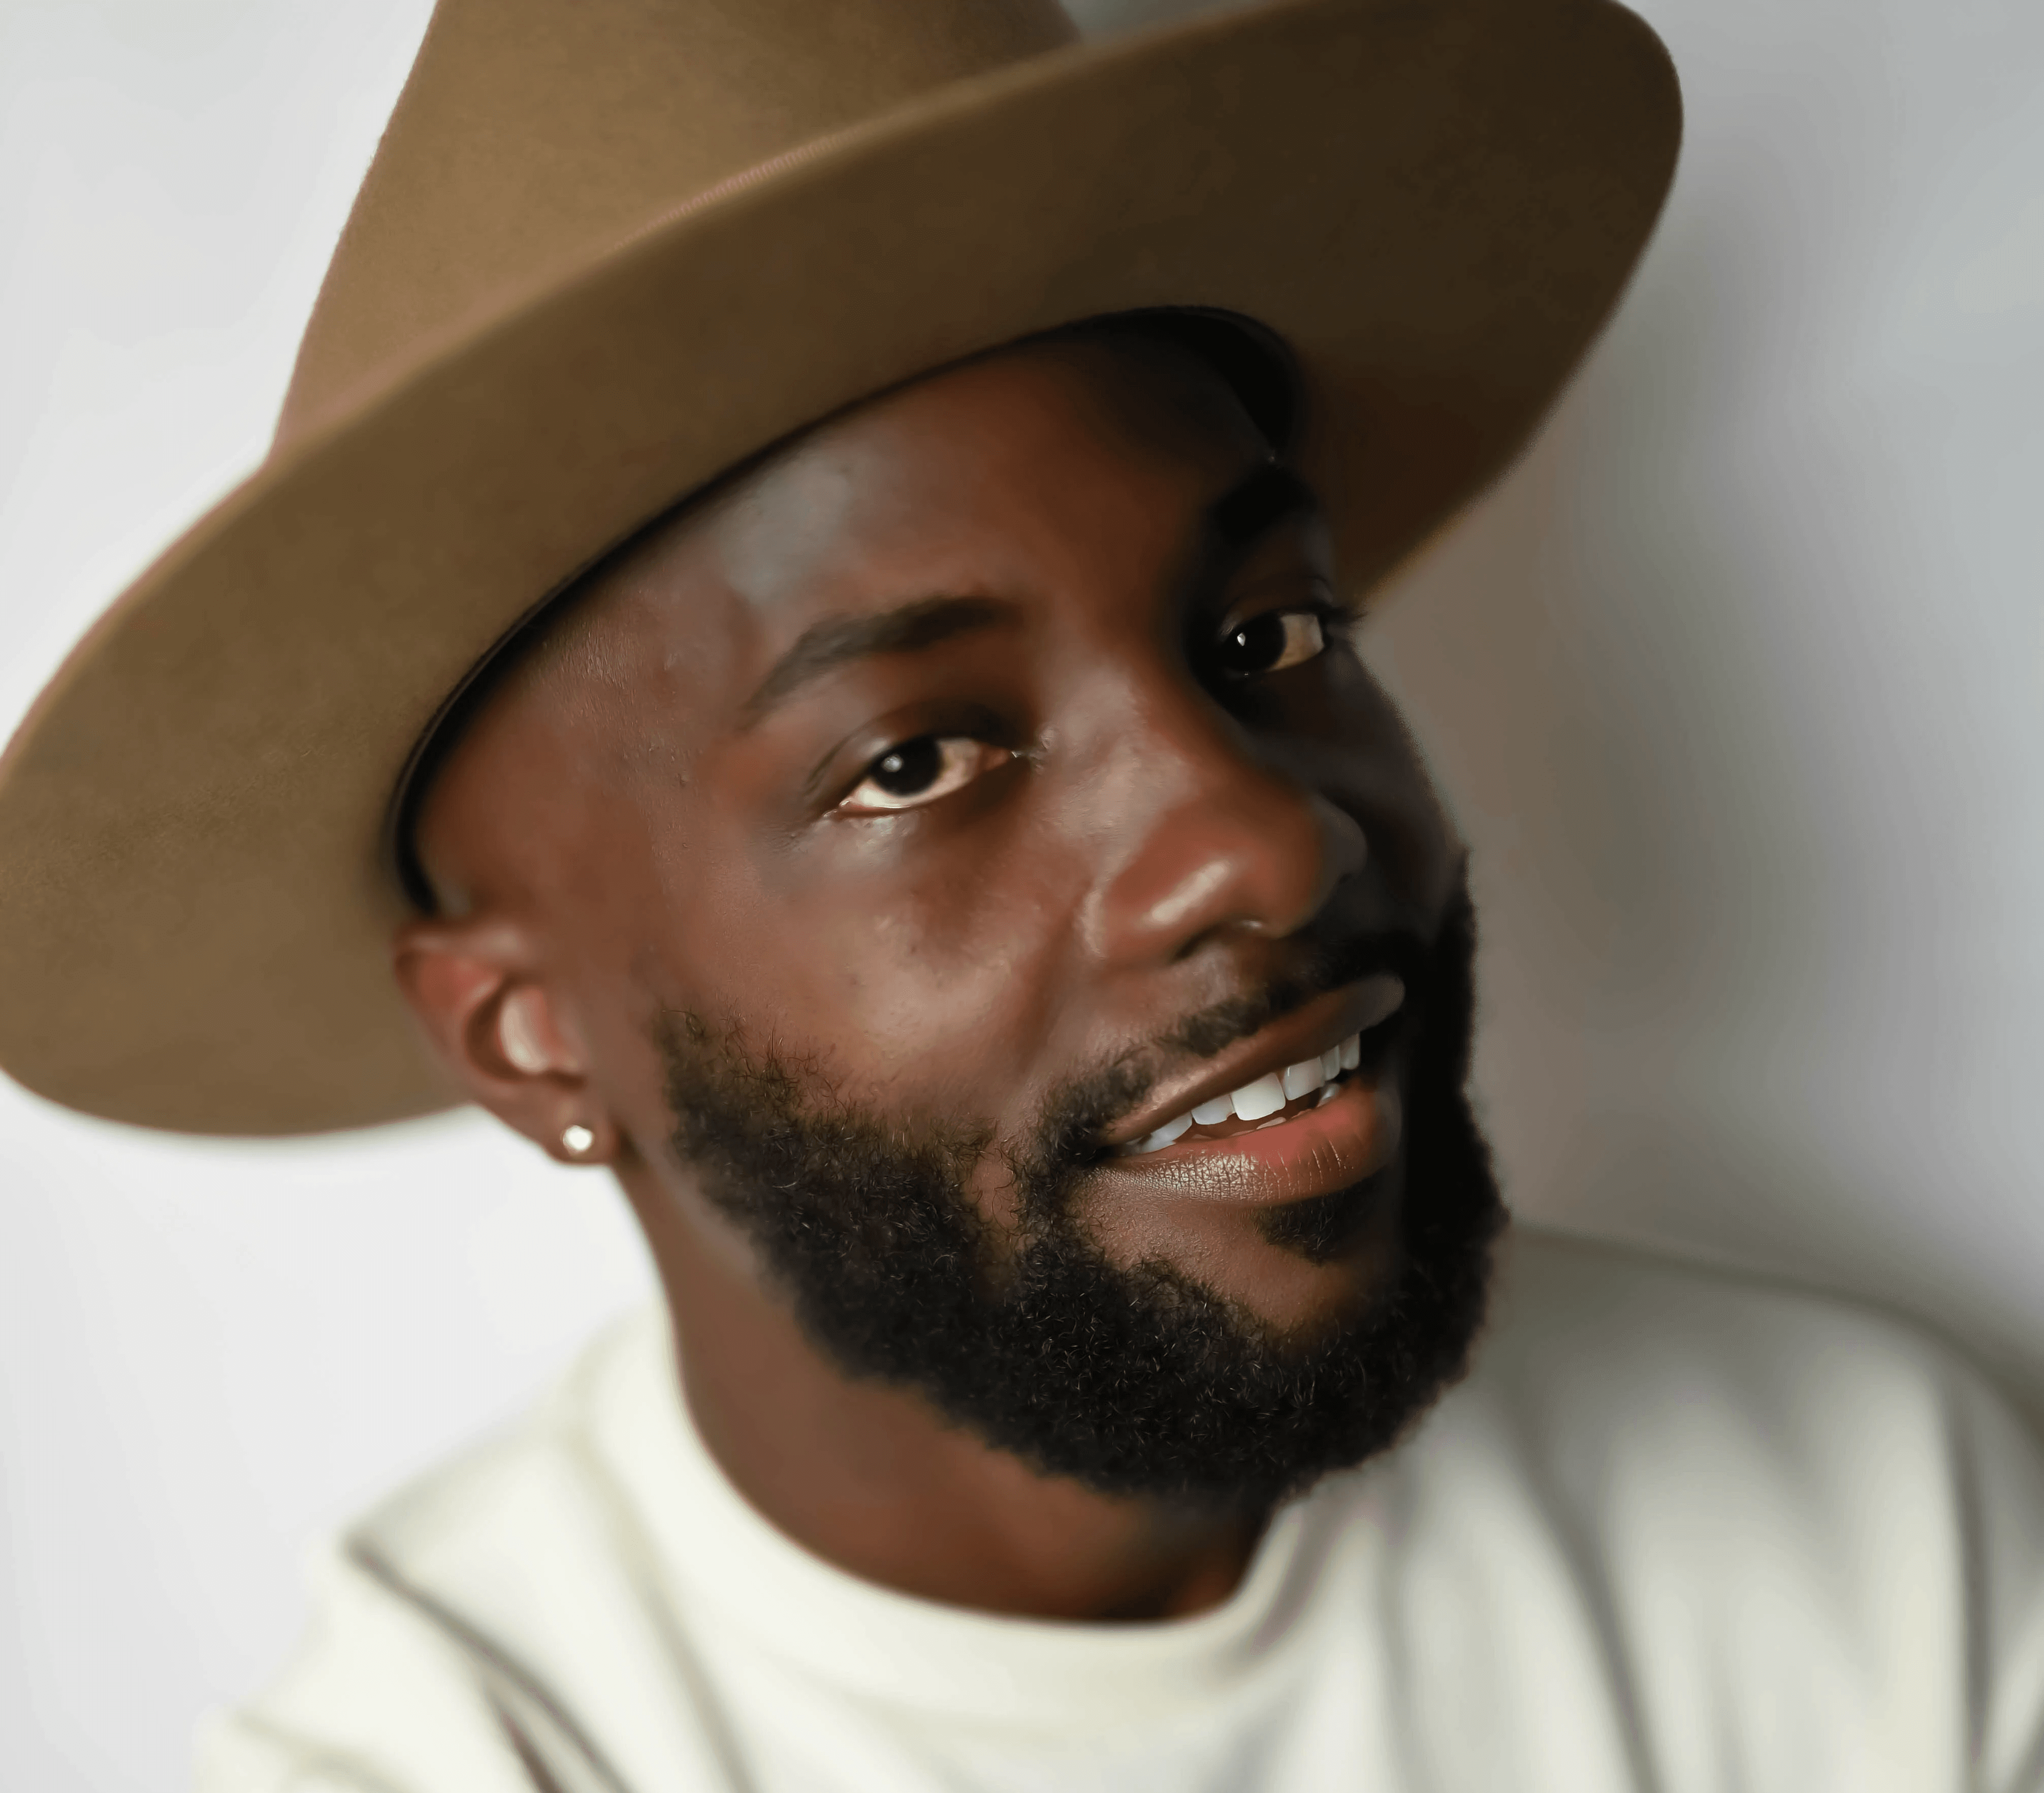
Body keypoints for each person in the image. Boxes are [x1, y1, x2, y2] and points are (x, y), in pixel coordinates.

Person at [0, 0, 2039, 1788]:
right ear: (528, 1038)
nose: (1259, 839)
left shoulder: (1874, 1539)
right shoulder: (471, 1761)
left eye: (1272, 634)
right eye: (912, 762)